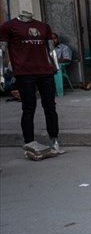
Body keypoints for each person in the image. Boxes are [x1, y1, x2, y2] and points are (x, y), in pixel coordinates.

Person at [0, 11, 62, 155]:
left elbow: (51, 49)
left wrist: (55, 67)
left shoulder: (43, 26)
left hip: (45, 72)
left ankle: (54, 140)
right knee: (29, 108)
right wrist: (2, 76)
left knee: (50, 107)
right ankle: (29, 142)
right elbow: (1, 51)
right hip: (24, 73)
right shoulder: (8, 26)